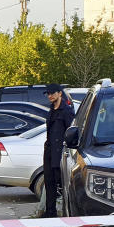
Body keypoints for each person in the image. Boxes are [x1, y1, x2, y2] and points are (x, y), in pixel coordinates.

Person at [42, 83, 75, 218]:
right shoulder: (51, 109)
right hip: (49, 151)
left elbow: (72, 131)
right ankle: (50, 212)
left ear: (59, 93)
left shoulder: (66, 111)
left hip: (60, 153)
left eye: (52, 93)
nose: (50, 96)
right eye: (48, 94)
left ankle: (68, 212)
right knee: (49, 182)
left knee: (61, 183)